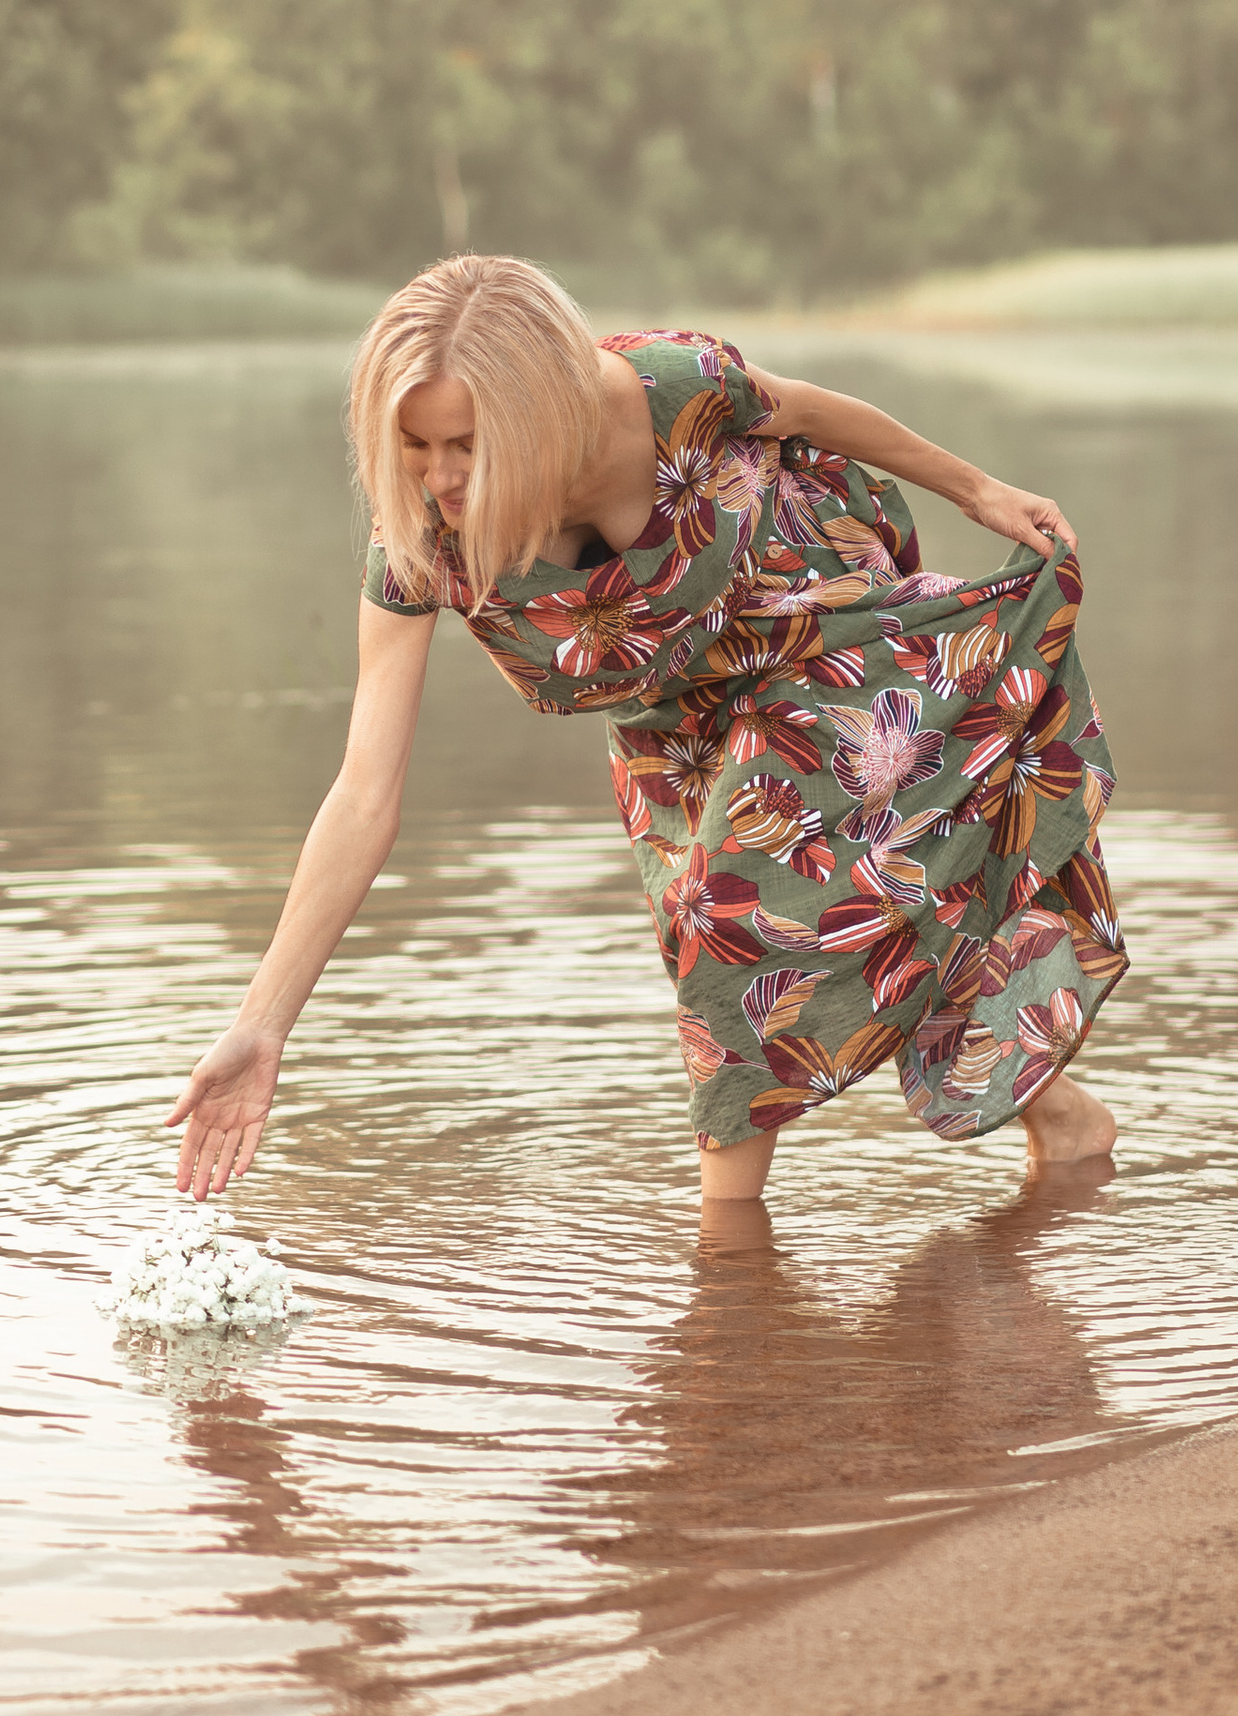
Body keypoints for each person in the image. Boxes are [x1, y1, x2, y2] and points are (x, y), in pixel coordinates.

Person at [168, 253, 1125, 1221]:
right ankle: (1064, 1123)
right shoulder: (420, 536)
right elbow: (363, 791)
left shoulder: (671, 390)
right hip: (673, 722)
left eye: (466, 443)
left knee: (727, 920)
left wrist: (979, 492)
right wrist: (261, 1025)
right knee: (813, 929)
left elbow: (799, 409)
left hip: (822, 635)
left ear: (539, 410)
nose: (441, 476)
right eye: (415, 446)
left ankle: (726, 1261)